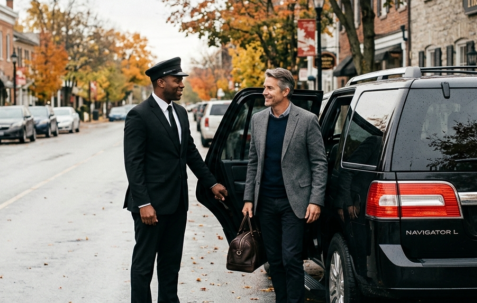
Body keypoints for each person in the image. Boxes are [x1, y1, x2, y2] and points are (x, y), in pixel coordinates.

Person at [123, 57, 228, 303]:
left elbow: (190, 152)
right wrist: (143, 204)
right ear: (161, 82)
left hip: (177, 203)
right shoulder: (138, 115)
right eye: (176, 80)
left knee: (170, 266)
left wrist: (211, 183)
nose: (181, 84)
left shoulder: (180, 113)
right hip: (150, 207)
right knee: (144, 265)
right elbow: (133, 164)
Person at [241, 68, 328, 303]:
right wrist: (249, 198)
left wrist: (315, 200)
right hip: (265, 202)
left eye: (269, 88)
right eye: (264, 87)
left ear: (285, 91)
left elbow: (319, 163)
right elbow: (253, 162)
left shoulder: (307, 120)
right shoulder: (258, 119)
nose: (264, 92)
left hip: (295, 203)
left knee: (291, 258)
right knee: (275, 260)